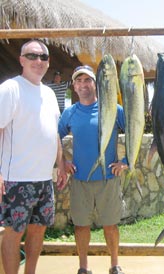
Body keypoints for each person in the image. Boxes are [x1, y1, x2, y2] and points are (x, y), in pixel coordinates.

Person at [0, 39, 67, 274]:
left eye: (43, 57)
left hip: (43, 180)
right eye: (32, 56)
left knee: (38, 230)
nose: (38, 61)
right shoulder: (10, 89)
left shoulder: (48, 94)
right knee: (13, 233)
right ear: (21, 60)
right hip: (16, 178)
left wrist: (60, 163)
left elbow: (54, 133)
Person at [58, 65, 128, 274]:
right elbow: (55, 137)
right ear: (74, 86)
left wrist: (125, 162)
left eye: (87, 80)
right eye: (78, 81)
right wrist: (63, 163)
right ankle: (83, 268)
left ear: (95, 84)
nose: (83, 85)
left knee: (111, 225)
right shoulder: (70, 113)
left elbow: (134, 130)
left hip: (108, 179)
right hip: (80, 180)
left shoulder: (114, 109)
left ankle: (115, 265)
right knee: (81, 226)